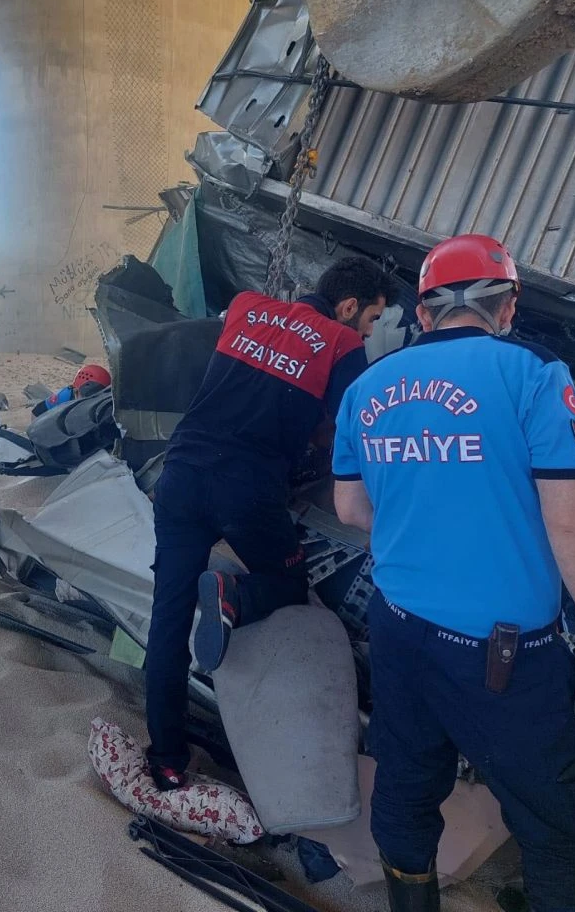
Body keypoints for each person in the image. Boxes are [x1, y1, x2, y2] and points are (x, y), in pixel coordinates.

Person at [332, 234, 575, 912]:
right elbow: (571, 520)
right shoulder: (534, 374)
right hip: (505, 651)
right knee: (557, 822)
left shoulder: (367, 386)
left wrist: (426, 518)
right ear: (508, 306)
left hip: (398, 628)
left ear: (423, 314)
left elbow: (350, 507)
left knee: (406, 784)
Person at [144, 256, 398, 790]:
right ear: (349, 307)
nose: (370, 332)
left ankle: (166, 760)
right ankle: (233, 598)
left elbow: (249, 385)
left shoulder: (244, 307)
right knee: (286, 581)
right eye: (373, 319)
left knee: (166, 621)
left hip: (182, 472)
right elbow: (348, 429)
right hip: (248, 492)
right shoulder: (341, 343)